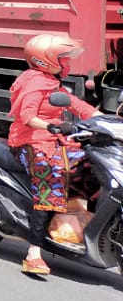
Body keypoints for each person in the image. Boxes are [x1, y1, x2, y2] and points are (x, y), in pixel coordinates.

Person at [8, 34, 100, 276]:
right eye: (63, 58)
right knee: (52, 179)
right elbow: (27, 117)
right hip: (31, 142)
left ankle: (81, 223)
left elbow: (77, 105)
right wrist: (51, 126)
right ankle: (34, 253)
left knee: (91, 167)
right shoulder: (34, 84)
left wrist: (106, 120)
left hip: (56, 140)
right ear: (45, 60)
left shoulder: (51, 82)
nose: (68, 63)